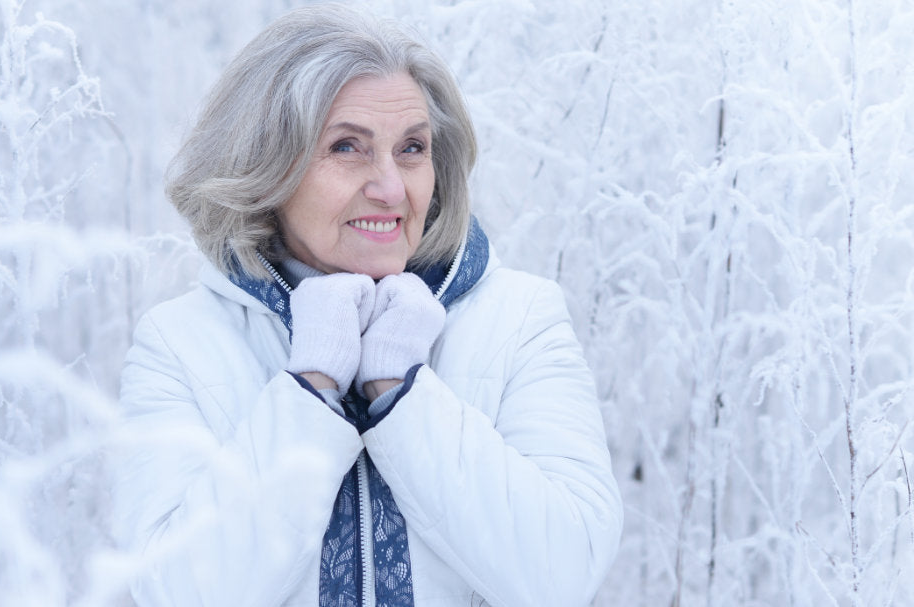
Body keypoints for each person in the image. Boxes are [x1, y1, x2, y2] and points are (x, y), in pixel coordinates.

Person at [113, 4, 622, 606]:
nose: (390, 187)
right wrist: (313, 385)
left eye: (412, 148)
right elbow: (173, 593)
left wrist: (402, 390)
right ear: (267, 166)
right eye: (348, 147)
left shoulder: (520, 319)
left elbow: (564, 575)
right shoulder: (180, 343)